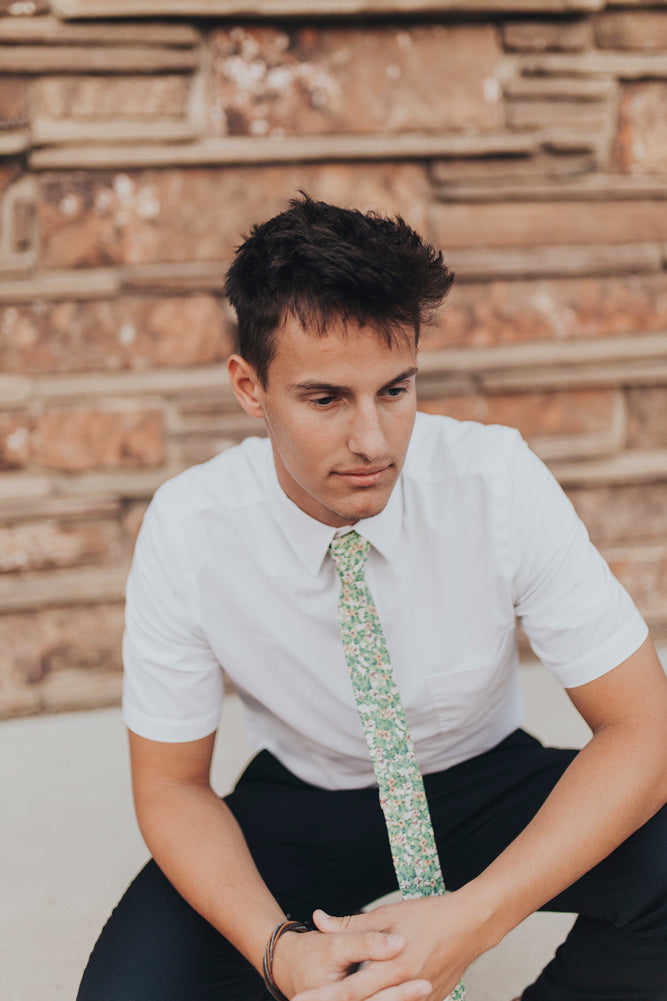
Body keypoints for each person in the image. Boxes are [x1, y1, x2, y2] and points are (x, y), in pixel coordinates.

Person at [77, 194, 667, 1001]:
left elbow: (643, 727)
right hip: (306, 796)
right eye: (326, 399)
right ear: (249, 387)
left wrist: (474, 919)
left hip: (479, 772)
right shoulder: (191, 528)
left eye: (395, 390)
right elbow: (172, 785)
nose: (372, 440)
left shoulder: (494, 479)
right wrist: (277, 950)